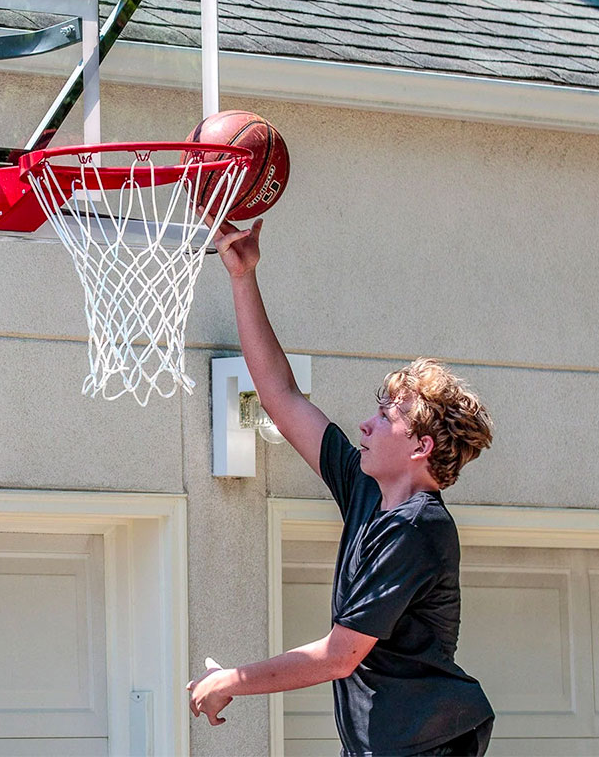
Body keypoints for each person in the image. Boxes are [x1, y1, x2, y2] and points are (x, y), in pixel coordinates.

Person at [188, 218, 497, 756]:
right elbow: (281, 396)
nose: (366, 426)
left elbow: (339, 656)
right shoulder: (366, 490)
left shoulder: (418, 528)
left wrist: (230, 680)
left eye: (386, 416)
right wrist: (243, 276)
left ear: (420, 446)